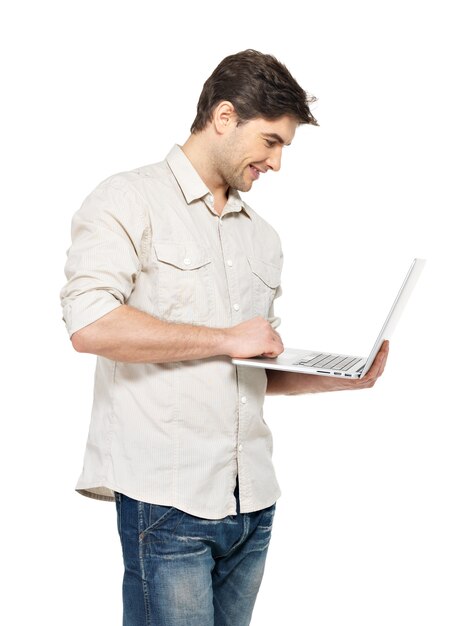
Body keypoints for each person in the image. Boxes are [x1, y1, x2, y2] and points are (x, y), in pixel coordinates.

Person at [61, 49, 389, 626]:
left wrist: (342, 378)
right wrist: (224, 337)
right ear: (224, 117)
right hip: (169, 500)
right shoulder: (126, 200)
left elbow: (249, 365)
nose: (277, 162)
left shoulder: (263, 238)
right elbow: (91, 325)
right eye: (271, 141)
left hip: (253, 502)